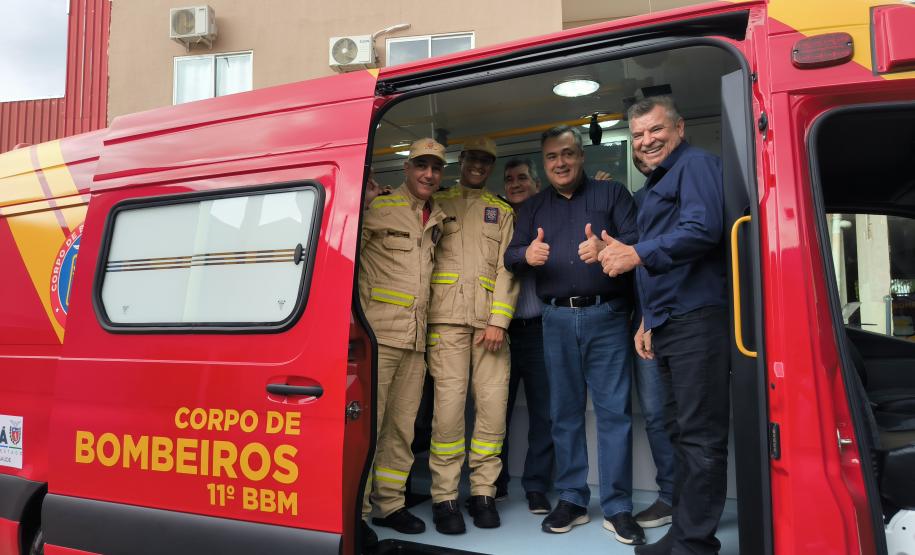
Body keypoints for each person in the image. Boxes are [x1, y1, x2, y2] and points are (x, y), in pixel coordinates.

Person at [598, 95, 729, 555]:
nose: (646, 141)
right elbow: (665, 261)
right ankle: (683, 534)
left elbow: (702, 230)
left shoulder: (697, 167)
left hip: (699, 321)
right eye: (638, 135)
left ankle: (695, 545)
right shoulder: (658, 183)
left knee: (700, 437)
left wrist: (635, 253)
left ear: (679, 128)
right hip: (671, 321)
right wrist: (647, 321)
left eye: (655, 130)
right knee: (681, 433)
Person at [504, 126, 645, 546]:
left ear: (581, 156)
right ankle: (572, 498)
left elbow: (638, 243)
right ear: (544, 163)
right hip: (556, 321)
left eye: (567, 154)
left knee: (613, 413)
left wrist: (607, 252)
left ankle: (618, 506)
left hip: (607, 315)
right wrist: (526, 255)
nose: (560, 163)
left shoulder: (613, 195)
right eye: (551, 157)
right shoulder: (532, 207)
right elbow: (512, 256)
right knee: (563, 413)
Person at [427, 136, 519, 534]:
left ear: (491, 166)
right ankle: (444, 497)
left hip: (489, 328)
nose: (479, 165)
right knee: (446, 416)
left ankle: (483, 492)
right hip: (445, 324)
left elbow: (507, 269)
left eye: (486, 160)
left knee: (493, 411)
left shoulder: (501, 211)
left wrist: (499, 320)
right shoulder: (437, 201)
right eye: (472, 158)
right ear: (460, 160)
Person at [358, 138, 448, 543]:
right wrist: (360, 203)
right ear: (407, 168)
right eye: (421, 166)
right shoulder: (379, 208)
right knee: (368, 429)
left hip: (415, 342)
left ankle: (389, 504)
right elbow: (346, 252)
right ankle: (355, 509)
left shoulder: (437, 218)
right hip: (378, 338)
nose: (429, 174)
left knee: (402, 429)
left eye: (436, 168)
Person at [494, 158, 554, 515]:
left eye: (522, 178)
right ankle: (493, 482)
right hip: (498, 332)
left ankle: (536, 486)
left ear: (535, 182)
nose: (515, 184)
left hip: (539, 331)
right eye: (509, 179)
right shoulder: (495, 219)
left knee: (543, 414)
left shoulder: (548, 218)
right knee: (494, 412)